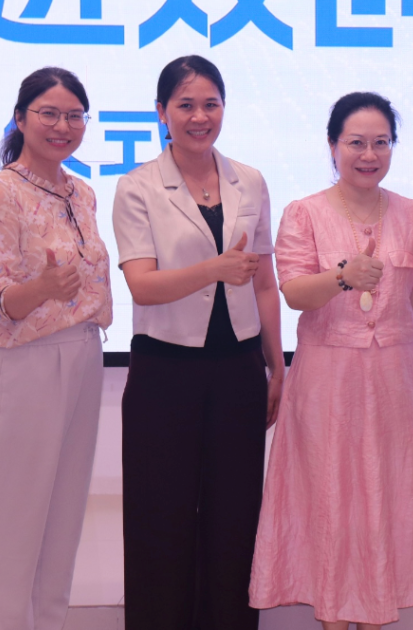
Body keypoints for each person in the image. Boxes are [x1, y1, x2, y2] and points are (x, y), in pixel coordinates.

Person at [250, 92, 413, 628]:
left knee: (388, 498)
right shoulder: (305, 213)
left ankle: (376, 615)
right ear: (333, 145)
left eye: (381, 142)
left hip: (395, 379)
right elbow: (294, 293)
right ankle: (333, 618)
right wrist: (342, 277)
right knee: (330, 501)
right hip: (327, 382)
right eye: (356, 142)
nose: (369, 154)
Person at [111, 55, 284, 630]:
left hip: (238, 368)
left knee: (236, 516)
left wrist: (276, 366)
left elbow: (263, 282)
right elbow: (142, 285)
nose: (199, 116)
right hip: (165, 372)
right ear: (161, 112)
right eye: (185, 104)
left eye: (211, 104)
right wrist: (214, 269)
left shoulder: (249, 180)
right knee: (160, 518)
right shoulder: (137, 186)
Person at [0, 67, 112, 630]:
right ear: (20, 119)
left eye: (74, 115)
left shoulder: (83, 192)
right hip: (24, 364)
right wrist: (45, 287)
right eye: (49, 113)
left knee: (62, 518)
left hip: (84, 354)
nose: (62, 126)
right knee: (14, 525)